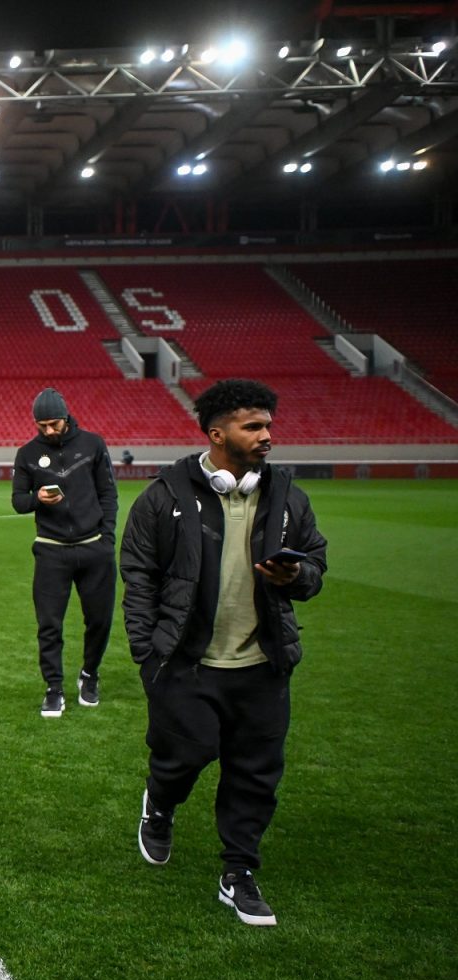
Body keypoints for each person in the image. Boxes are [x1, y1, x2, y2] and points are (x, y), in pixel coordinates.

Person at [120, 378, 326, 928]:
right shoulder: (163, 496)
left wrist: (297, 575)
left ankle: (239, 872)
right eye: (252, 426)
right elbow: (138, 575)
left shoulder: (287, 496)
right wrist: (147, 653)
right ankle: (160, 803)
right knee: (183, 756)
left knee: (256, 774)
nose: (266, 436)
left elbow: (315, 564)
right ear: (217, 433)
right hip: (186, 663)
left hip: (262, 664)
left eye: (268, 425)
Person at [11, 388, 117, 717]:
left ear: (66, 418)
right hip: (51, 551)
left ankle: (90, 674)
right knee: (49, 625)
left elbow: (108, 493)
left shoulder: (93, 445)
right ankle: (54, 688)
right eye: (42, 425)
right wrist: (37, 499)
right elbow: (18, 501)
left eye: (53, 424)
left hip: (94, 548)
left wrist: (107, 538)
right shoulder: (27, 454)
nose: (48, 431)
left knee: (99, 620)